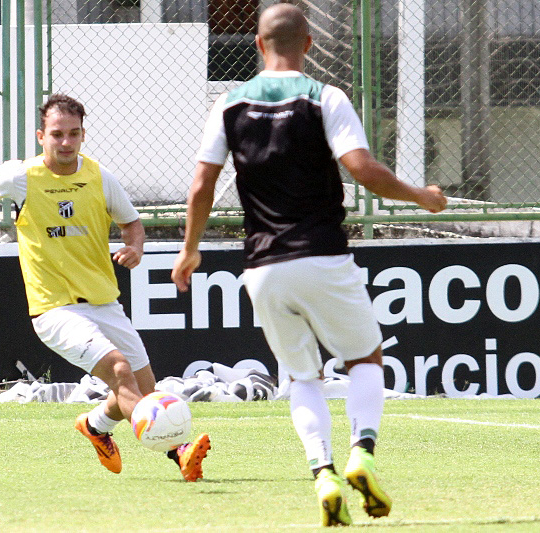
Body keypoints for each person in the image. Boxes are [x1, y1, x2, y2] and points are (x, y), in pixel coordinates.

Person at [171, 3, 446, 525]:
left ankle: (322, 474)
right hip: (320, 254)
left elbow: (202, 183)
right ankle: (361, 453)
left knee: (302, 377)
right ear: (310, 43)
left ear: (257, 44)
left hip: (262, 267)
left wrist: (189, 248)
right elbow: (363, 169)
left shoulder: (228, 103)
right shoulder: (325, 97)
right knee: (366, 358)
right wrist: (421, 197)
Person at [0, 93, 210, 482]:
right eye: (57, 134)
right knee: (119, 369)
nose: (65, 142)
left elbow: (131, 223)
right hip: (55, 310)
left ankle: (96, 426)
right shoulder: (21, 176)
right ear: (40, 136)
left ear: (83, 135)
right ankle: (179, 451)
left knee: (140, 387)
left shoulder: (99, 177)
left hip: (104, 302)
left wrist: (134, 247)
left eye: (73, 134)